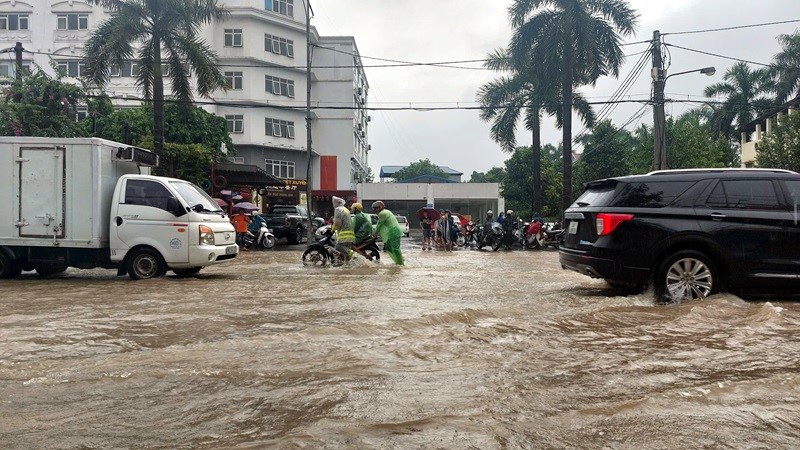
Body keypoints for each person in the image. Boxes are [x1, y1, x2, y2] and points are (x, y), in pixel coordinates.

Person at [372, 201, 404, 265]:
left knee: (395, 249)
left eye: (376, 208)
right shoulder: (386, 211)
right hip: (392, 232)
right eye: (374, 209)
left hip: (393, 232)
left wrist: (375, 234)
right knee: (389, 248)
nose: (375, 210)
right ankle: (398, 261)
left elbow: (379, 224)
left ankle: (400, 263)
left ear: (380, 207)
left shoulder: (382, 213)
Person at [331, 196, 355, 261]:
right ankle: (347, 266)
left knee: (338, 247)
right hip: (350, 234)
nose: (333, 204)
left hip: (344, 234)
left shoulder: (338, 209)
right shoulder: (345, 209)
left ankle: (353, 254)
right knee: (346, 255)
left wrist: (332, 230)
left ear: (337, 203)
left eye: (334, 203)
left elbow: (337, 224)